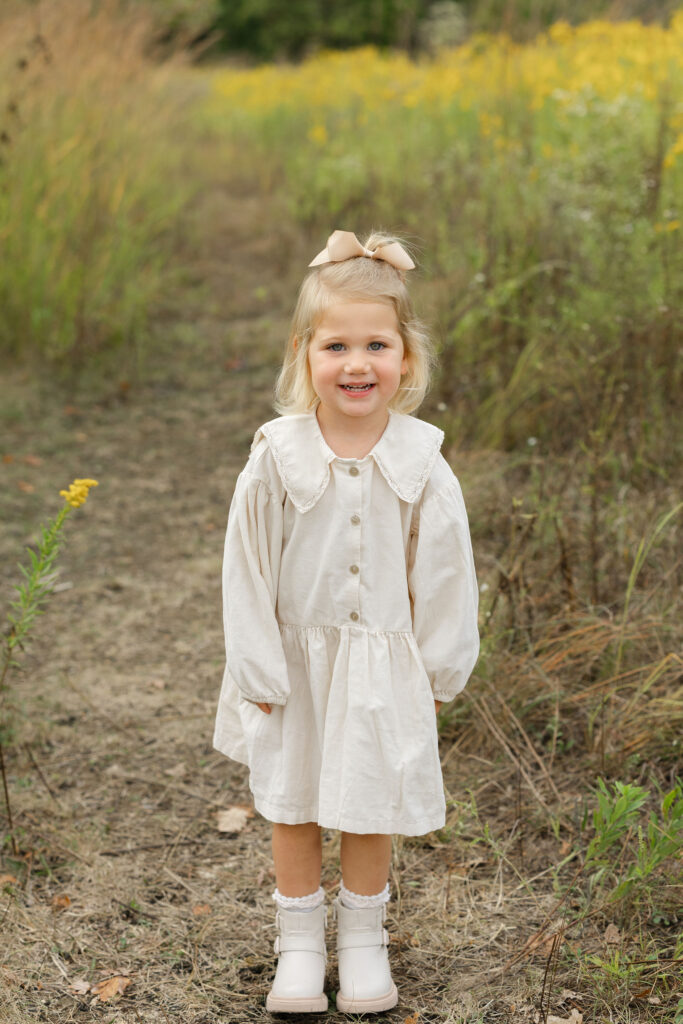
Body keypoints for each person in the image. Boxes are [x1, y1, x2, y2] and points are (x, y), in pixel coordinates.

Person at [214, 229, 480, 1013]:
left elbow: (444, 574)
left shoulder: (421, 461)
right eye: (335, 345)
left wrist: (435, 670)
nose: (356, 363)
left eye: (376, 344)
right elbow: (247, 566)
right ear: (304, 354)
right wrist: (256, 667)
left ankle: (364, 942)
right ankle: (297, 946)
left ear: (406, 355)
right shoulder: (277, 454)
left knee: (370, 803)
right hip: (293, 664)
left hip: (380, 664)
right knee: (291, 804)